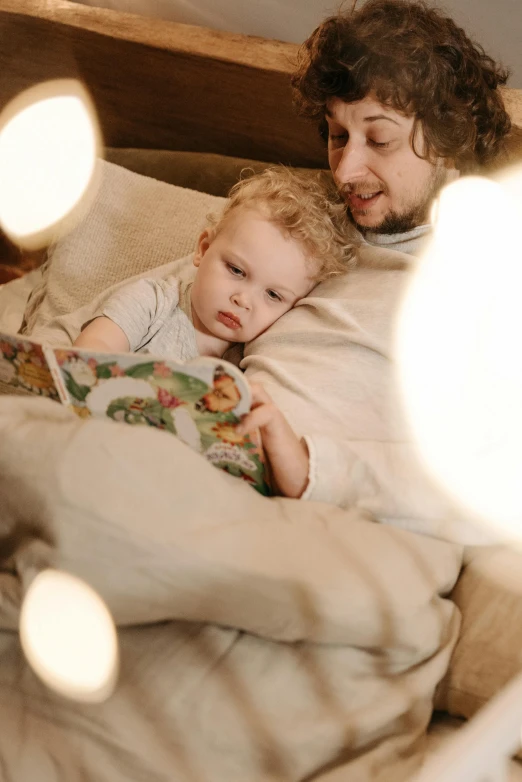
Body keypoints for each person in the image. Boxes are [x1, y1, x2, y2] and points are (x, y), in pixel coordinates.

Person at [238, 0, 515, 517]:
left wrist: (309, 466)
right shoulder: (303, 217)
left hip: (337, 514)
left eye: (380, 138)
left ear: (448, 141)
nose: (345, 172)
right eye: (337, 137)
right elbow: (181, 295)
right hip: (221, 460)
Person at [73, 165, 353, 359]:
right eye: (236, 270)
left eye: (273, 294)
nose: (242, 300)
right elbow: (93, 350)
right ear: (203, 249)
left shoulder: (249, 358)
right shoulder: (153, 302)